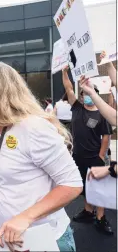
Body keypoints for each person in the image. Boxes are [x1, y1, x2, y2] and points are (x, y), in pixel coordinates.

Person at [0, 62, 83, 251]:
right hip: (4, 241)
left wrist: (25, 218)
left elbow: (72, 183)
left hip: (44, 240)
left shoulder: (33, 127)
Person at [62, 66, 113, 235]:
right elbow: (69, 88)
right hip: (78, 157)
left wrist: (100, 156)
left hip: (94, 158)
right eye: (84, 94)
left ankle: (100, 218)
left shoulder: (101, 114)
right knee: (84, 186)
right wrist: (64, 72)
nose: (86, 97)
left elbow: (106, 136)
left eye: (90, 94)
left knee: (99, 189)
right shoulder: (77, 108)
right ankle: (88, 211)